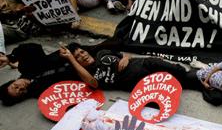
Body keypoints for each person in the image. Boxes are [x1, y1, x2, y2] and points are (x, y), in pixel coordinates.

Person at [62, 43, 197, 91]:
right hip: (137, 82)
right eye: (78, 56)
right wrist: (70, 58)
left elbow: (126, 54)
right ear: (76, 62)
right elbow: (93, 83)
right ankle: (204, 79)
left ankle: (203, 77)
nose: (83, 55)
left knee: (180, 73)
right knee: (177, 83)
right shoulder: (87, 74)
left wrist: (126, 58)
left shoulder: (101, 53)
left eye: (82, 51)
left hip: (145, 64)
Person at [0, 43, 75, 106]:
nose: (21, 87)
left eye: (15, 86)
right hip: (81, 69)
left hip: (73, 52)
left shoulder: (25, 68)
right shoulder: (41, 93)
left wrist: (10, 58)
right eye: (20, 92)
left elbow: (35, 47)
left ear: (12, 81)